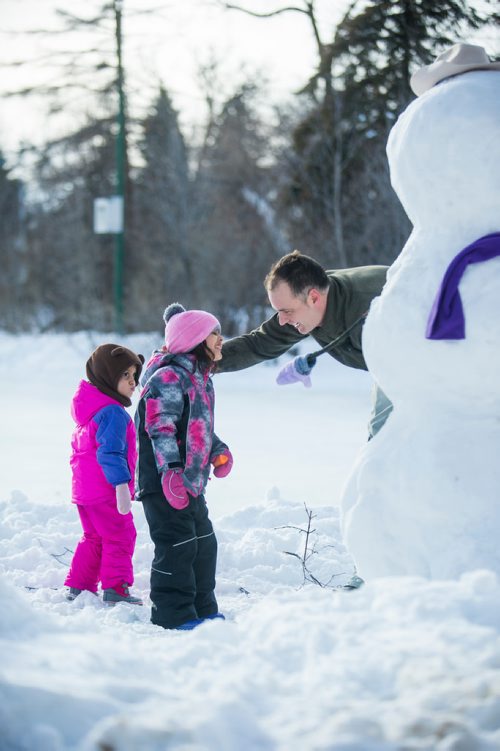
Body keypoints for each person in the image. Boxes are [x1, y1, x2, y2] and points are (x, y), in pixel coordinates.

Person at [218, 250, 392, 438]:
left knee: (384, 434)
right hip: (392, 363)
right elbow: (260, 343)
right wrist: (204, 359)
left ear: (314, 297)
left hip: (415, 352)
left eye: (286, 311)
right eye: (279, 312)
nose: (282, 321)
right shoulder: (308, 307)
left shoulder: (372, 314)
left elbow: (398, 383)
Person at [135, 303, 232, 630]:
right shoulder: (169, 377)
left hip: (189, 482)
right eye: (213, 334)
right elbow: (160, 427)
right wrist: (170, 472)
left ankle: (202, 610)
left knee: (204, 544)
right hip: (163, 481)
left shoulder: (200, 378)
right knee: (177, 546)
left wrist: (217, 450)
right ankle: (173, 615)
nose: (221, 339)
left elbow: (198, 426)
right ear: (193, 340)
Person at [64, 343, 145, 605]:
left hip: (85, 492)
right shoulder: (113, 413)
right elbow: (110, 453)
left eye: (134, 375)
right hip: (106, 490)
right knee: (120, 535)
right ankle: (116, 589)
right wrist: (121, 485)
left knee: (95, 537)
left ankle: (80, 585)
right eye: (126, 375)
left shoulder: (89, 410)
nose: (133, 382)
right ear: (109, 377)